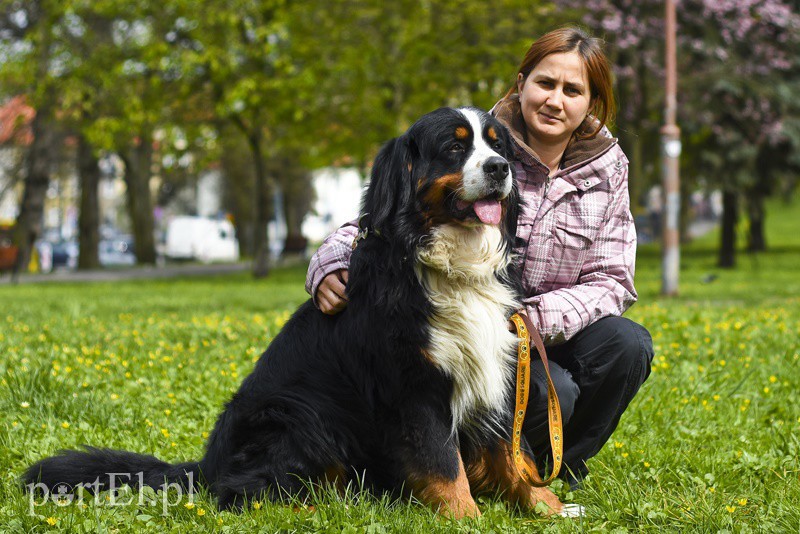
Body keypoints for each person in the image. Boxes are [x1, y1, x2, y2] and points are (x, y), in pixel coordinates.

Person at [305, 26, 654, 491]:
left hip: (530, 326)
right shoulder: (477, 139)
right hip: (470, 326)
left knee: (627, 345)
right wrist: (328, 262)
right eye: (545, 83)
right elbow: (385, 218)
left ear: (591, 103)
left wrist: (525, 320)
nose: (555, 100)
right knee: (557, 392)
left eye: (573, 90)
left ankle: (552, 465)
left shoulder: (610, 172)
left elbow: (612, 280)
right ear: (522, 83)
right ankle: (481, 468)